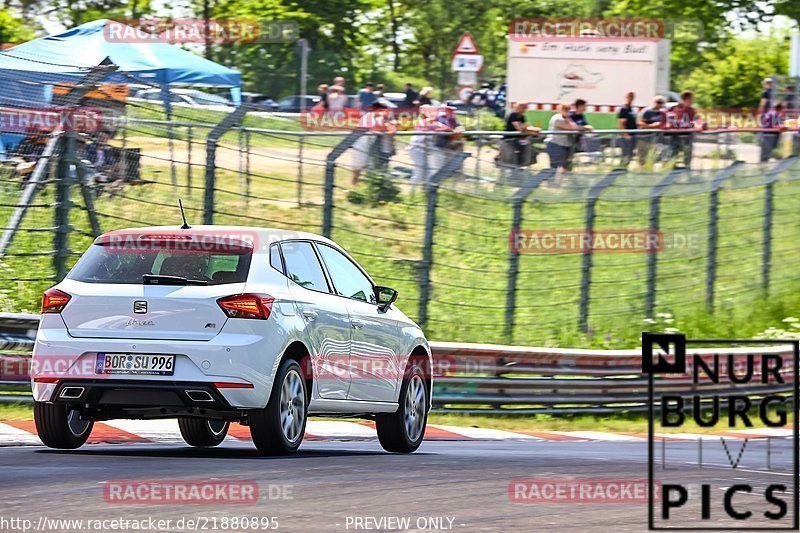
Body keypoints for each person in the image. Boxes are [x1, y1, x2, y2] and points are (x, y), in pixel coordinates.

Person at [350, 99, 396, 185]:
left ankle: (365, 185)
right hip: (361, 144)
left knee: (369, 166)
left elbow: (387, 129)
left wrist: (389, 123)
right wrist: (388, 125)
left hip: (370, 144)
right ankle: (354, 185)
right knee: (358, 167)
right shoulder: (369, 117)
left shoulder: (380, 118)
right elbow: (379, 128)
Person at [544, 103, 589, 172]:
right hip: (556, 144)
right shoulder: (557, 118)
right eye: (566, 109)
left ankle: (561, 182)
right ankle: (548, 180)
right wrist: (585, 127)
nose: (568, 111)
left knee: (566, 167)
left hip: (566, 145)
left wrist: (569, 118)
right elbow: (572, 128)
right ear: (561, 110)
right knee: (555, 168)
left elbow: (574, 126)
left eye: (569, 109)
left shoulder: (567, 118)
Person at [665, 90, 699, 168]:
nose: (692, 101)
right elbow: (669, 120)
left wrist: (697, 124)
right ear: (685, 99)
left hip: (687, 137)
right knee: (672, 156)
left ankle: (687, 170)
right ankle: (671, 172)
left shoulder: (692, 111)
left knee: (687, 156)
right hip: (674, 136)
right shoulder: (673, 109)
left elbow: (696, 120)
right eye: (690, 99)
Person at [503, 102, 540, 166]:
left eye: (524, 107)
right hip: (510, 139)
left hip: (520, 139)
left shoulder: (522, 116)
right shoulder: (513, 115)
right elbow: (519, 128)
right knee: (513, 159)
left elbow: (526, 126)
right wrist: (532, 130)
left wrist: (534, 129)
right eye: (522, 107)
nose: (524, 109)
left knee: (529, 150)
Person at [637, 95, 666, 166]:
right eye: (658, 102)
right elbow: (640, 122)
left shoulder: (663, 113)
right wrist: (651, 126)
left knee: (653, 157)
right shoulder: (647, 111)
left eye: (661, 102)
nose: (659, 104)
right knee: (642, 157)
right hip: (644, 137)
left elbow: (662, 123)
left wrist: (650, 126)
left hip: (656, 138)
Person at [566, 98, 591, 169]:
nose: (585, 108)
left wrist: (587, 127)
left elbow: (585, 125)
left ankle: (569, 170)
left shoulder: (581, 115)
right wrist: (583, 127)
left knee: (573, 157)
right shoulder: (570, 115)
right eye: (584, 106)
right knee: (567, 157)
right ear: (580, 106)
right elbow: (572, 126)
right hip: (569, 140)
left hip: (578, 140)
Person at [617, 91, 637, 166]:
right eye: (629, 96)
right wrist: (626, 135)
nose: (631, 98)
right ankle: (622, 168)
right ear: (626, 97)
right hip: (626, 136)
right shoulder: (624, 109)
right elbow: (621, 123)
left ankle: (625, 168)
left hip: (632, 135)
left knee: (630, 155)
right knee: (625, 155)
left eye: (632, 97)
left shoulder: (631, 109)